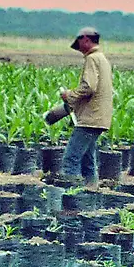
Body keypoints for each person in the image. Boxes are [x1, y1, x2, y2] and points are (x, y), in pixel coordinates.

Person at [57, 27, 113, 186]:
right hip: (98, 118)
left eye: (79, 42)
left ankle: (72, 198)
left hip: (90, 119)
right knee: (88, 161)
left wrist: (70, 95)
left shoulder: (92, 59)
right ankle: (90, 193)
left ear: (86, 40)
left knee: (71, 160)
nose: (79, 46)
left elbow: (89, 87)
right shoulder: (102, 58)